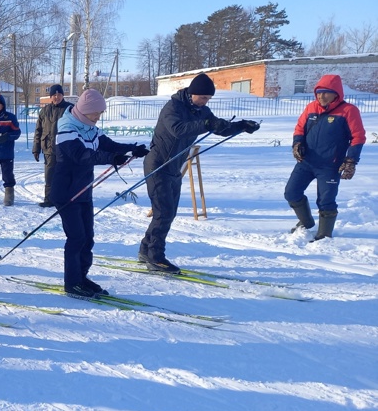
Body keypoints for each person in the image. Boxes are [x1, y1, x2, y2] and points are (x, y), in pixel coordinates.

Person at [139, 73, 260, 273]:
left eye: (208, 99)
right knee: (164, 212)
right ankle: (155, 257)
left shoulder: (201, 111)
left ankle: (146, 249)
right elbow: (178, 129)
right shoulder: (173, 107)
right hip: (158, 165)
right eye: (203, 98)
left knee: (168, 213)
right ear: (192, 93)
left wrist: (241, 126)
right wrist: (205, 124)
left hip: (175, 166)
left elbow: (217, 127)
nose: (205, 102)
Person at [52, 89, 148, 297]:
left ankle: (81, 277)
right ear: (85, 111)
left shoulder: (91, 128)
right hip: (66, 191)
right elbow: (82, 155)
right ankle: (72, 283)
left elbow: (108, 145)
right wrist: (111, 158)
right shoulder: (67, 128)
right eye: (96, 113)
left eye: (100, 114)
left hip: (84, 189)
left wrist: (132, 149)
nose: (99, 117)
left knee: (88, 237)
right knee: (76, 237)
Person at [284, 74, 365, 241]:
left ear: (336, 93)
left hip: (330, 165)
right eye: (319, 92)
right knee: (291, 193)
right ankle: (306, 224)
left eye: (326, 92)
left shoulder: (349, 111)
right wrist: (297, 143)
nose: (321, 96)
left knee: (326, 201)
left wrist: (351, 160)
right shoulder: (311, 107)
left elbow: (358, 136)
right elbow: (299, 128)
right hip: (306, 162)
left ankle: (324, 236)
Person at [33, 84, 73, 207]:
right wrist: (36, 148)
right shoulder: (44, 111)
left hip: (65, 149)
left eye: (59, 94)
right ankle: (49, 199)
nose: (57, 97)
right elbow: (38, 131)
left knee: (64, 175)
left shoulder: (70, 109)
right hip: (49, 148)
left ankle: (65, 200)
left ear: (63, 95)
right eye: (54, 95)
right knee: (49, 175)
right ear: (50, 97)